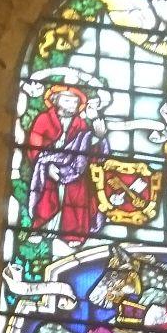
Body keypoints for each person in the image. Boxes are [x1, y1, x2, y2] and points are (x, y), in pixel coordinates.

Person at [27, 85, 106, 241]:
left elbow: (86, 147)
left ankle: (73, 235)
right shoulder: (44, 119)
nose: (72, 104)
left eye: (75, 101)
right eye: (67, 100)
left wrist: (98, 136)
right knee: (47, 196)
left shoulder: (80, 124)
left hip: (73, 169)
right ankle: (41, 228)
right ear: (56, 100)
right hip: (48, 166)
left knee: (77, 194)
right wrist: (46, 166)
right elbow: (34, 145)